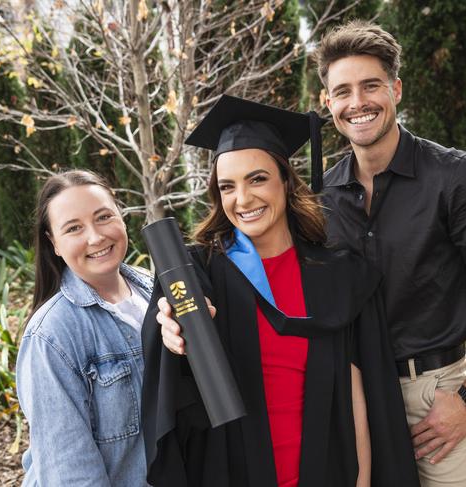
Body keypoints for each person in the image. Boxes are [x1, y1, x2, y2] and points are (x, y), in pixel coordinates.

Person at [142, 95, 420, 487]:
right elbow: (172, 364)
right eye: (227, 186)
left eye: (257, 178)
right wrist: (168, 331)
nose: (243, 199)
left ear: (286, 181)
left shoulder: (337, 275)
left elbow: (359, 399)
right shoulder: (198, 272)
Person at [314, 20, 466, 486]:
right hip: (353, 399)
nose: (357, 103)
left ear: (396, 89)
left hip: (433, 399)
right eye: (343, 91)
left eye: (371, 85)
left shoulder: (452, 178)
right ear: (327, 102)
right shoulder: (321, 197)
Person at [16, 170, 152, 486]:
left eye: (103, 217)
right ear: (54, 244)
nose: (95, 237)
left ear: (122, 215)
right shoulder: (52, 336)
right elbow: (70, 474)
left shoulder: (155, 289)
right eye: (74, 228)